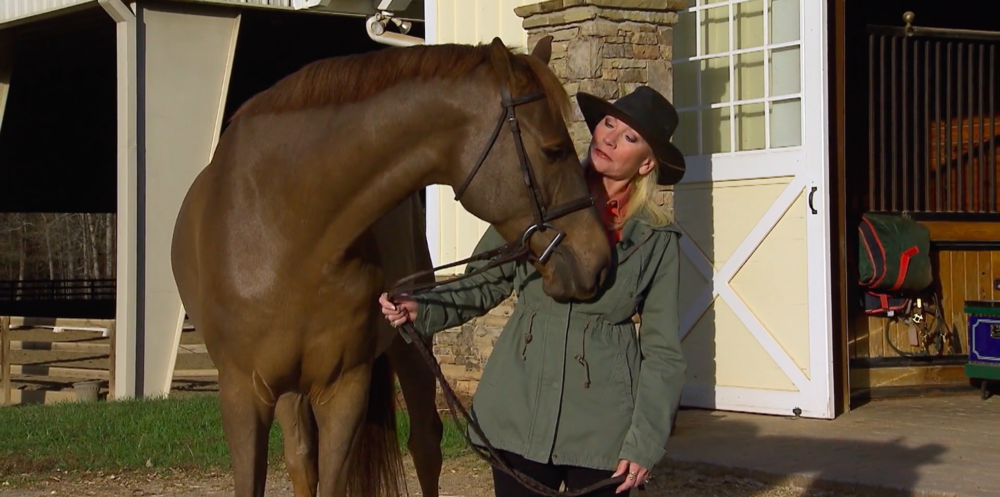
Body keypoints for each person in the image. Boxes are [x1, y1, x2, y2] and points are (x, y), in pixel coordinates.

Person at [379, 86, 687, 496]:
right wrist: (423, 306)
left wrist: (645, 442)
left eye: (629, 137)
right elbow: (486, 278)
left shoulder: (655, 239)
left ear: (647, 163)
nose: (610, 138)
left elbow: (663, 352)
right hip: (517, 409)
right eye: (608, 124)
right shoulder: (538, 204)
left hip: (603, 427)